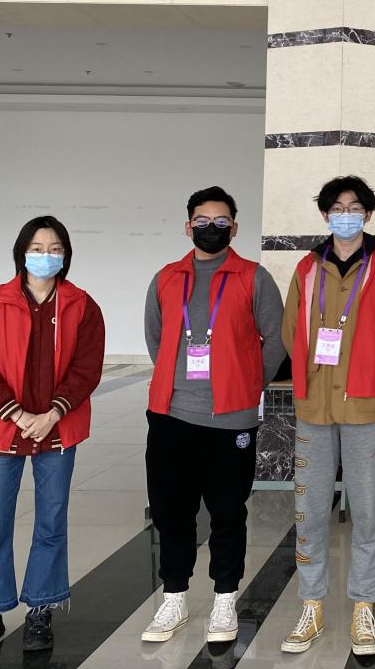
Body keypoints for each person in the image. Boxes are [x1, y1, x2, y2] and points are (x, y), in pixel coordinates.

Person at [278, 176, 375, 657]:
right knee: (310, 512)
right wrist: (311, 376)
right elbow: (291, 330)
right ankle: (312, 605)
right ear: (325, 215)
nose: (346, 215)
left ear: (368, 214)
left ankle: (363, 605)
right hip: (314, 407)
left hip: (365, 407)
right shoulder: (307, 268)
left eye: (354, 207)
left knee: (366, 511)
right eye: (337, 208)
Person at [140, 186, 286, 646]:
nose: (211, 228)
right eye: (202, 221)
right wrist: (176, 380)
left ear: (234, 228)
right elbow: (156, 336)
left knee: (227, 512)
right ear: (188, 227)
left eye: (221, 222)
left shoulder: (253, 277)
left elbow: (276, 337)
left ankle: (225, 597)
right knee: (172, 512)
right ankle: (175, 596)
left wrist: (248, 382)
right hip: (171, 415)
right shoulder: (166, 278)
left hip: (230, 420)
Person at [0, 216, 106, 656]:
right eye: (37, 248)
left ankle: (41, 608)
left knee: (51, 522)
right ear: (21, 253)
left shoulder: (82, 306)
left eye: (55, 248)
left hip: (57, 429)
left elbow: (87, 367)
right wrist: (16, 414)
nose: (45, 256)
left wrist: (54, 412)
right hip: (0, 430)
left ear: (66, 255)